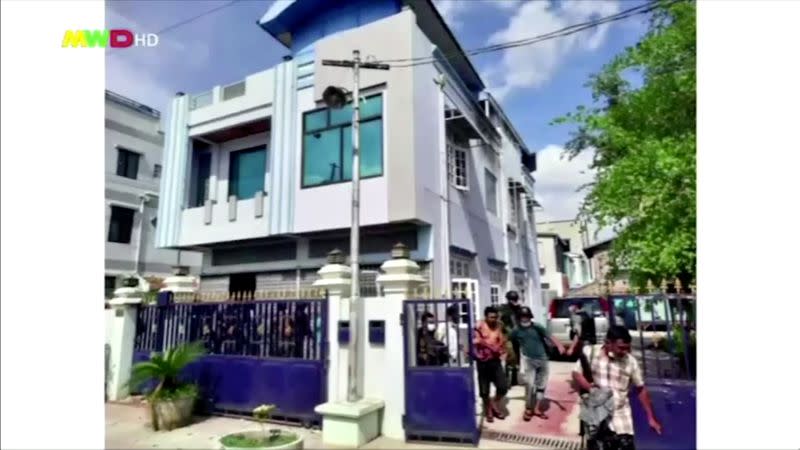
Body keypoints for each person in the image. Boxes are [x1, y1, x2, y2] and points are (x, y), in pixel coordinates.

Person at [572, 326, 663, 450]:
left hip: (621, 417)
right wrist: (589, 388)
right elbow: (576, 373)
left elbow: (641, 389)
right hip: (596, 417)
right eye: (621, 348)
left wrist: (651, 417)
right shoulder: (590, 352)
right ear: (608, 343)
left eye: (627, 348)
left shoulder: (630, 362)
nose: (625, 351)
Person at [509, 307, 567, 420]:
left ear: (530, 317)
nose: (524, 319)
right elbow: (510, 341)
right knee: (530, 385)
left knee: (541, 386)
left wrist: (559, 345)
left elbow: (550, 336)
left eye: (526, 317)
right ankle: (528, 409)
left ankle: (536, 408)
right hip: (529, 360)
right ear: (519, 318)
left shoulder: (537, 327)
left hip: (543, 359)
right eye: (522, 317)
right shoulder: (516, 330)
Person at [473, 306, 509, 423]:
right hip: (483, 361)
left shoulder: (499, 326)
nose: (493, 319)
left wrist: (502, 349)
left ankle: (494, 403)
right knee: (484, 390)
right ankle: (489, 410)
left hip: (495, 361)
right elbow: (476, 341)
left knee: (503, 386)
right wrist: (489, 347)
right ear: (486, 317)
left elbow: (502, 339)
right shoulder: (479, 326)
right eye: (491, 317)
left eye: (495, 317)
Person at [498, 291, 523, 384]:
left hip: (517, 336)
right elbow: (499, 322)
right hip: (507, 336)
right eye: (512, 299)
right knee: (510, 355)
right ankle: (507, 378)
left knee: (517, 357)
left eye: (515, 299)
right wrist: (506, 329)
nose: (514, 301)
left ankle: (514, 378)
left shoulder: (519, 309)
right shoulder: (503, 309)